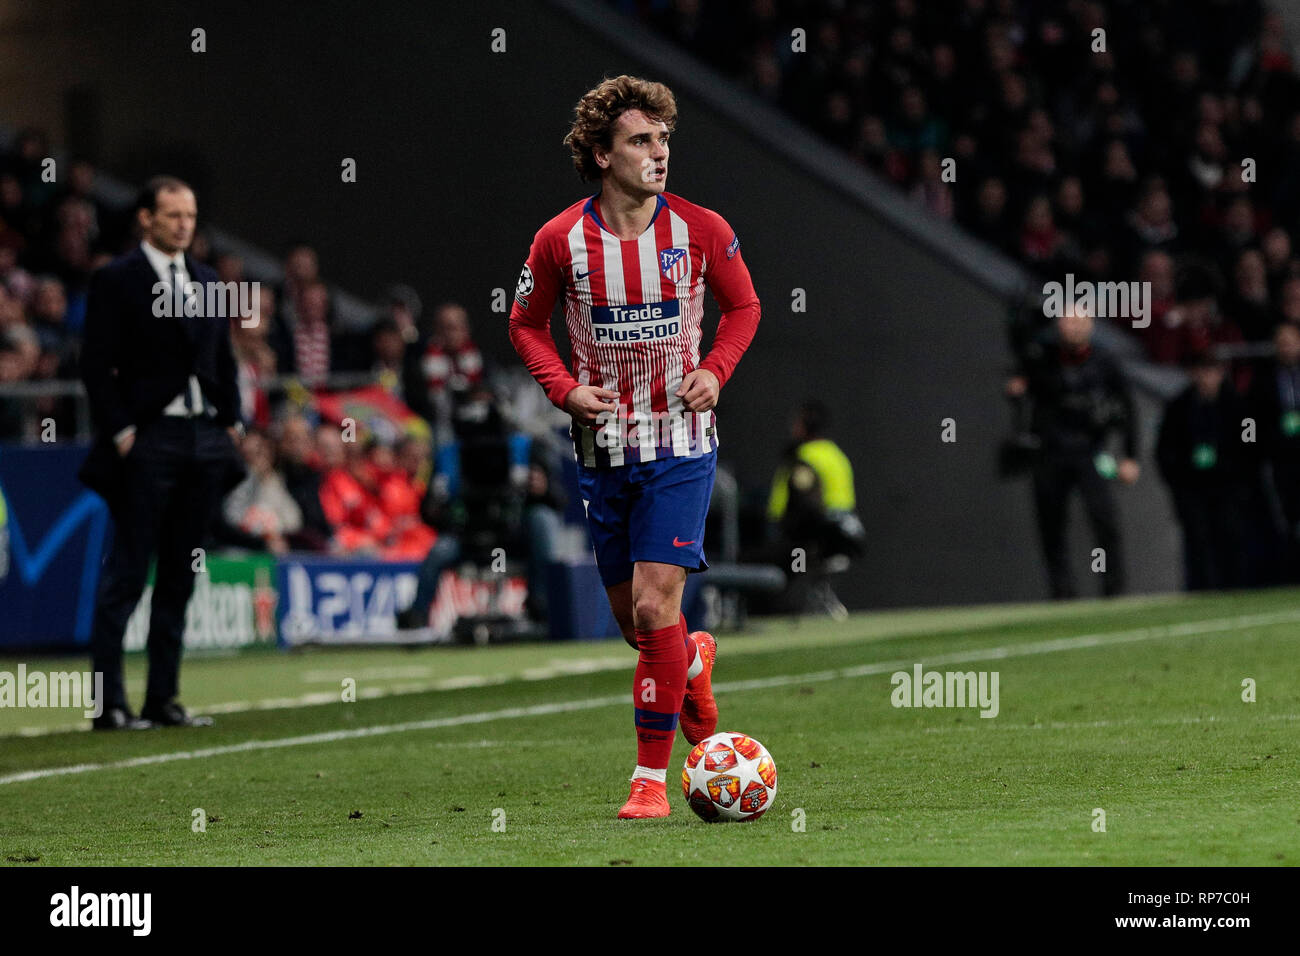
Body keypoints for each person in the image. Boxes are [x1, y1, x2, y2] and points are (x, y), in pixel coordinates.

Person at [508, 75, 761, 818]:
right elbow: (525, 325)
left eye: (664, 140)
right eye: (641, 141)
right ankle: (693, 664)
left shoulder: (702, 230)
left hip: (681, 443)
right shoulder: (560, 241)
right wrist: (564, 390)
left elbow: (744, 305)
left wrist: (716, 371)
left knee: (655, 608)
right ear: (600, 153)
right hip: (603, 447)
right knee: (636, 624)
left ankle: (648, 783)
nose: (659, 154)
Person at [78, 175, 244, 730]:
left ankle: (163, 699)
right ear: (145, 218)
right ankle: (109, 704)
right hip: (149, 439)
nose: (184, 224)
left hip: (201, 438)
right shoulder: (115, 280)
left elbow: (222, 358)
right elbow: (95, 365)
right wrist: (123, 431)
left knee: (180, 573)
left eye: (190, 215)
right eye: (173, 215)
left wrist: (232, 419)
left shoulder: (205, 278)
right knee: (127, 572)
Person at [1010, 304, 1139, 599]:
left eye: (1080, 321)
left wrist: (1130, 456)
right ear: (1058, 326)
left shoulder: (1105, 362)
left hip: (1090, 450)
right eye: (1068, 321)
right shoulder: (1041, 359)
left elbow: (1127, 409)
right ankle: (1062, 591)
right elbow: (1022, 388)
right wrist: (1017, 390)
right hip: (1050, 451)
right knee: (1051, 524)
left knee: (1103, 518)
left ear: (1091, 326)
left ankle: (1113, 588)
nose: (1074, 327)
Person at [1155, 352, 1251, 590]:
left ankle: (1236, 586)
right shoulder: (1178, 406)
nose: (1206, 377)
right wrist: (1178, 479)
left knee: (1230, 536)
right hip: (1192, 486)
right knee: (1198, 539)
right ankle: (1203, 588)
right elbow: (1165, 449)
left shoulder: (1237, 406)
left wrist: (1237, 474)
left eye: (1212, 371)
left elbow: (1250, 447)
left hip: (1227, 485)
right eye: (1202, 371)